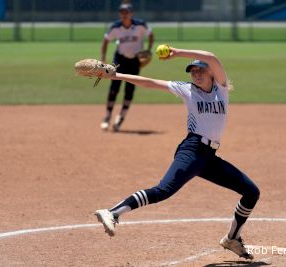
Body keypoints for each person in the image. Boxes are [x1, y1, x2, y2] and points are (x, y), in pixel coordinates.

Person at [95, 47, 260, 260]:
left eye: (200, 69)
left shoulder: (221, 89)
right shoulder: (186, 89)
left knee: (251, 192)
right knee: (163, 190)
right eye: (193, 71)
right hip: (191, 150)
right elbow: (151, 83)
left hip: (208, 157)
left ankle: (232, 238)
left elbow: (211, 57)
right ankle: (113, 212)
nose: (196, 73)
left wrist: (176, 52)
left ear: (212, 73)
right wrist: (117, 75)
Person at [100, 3, 154, 131]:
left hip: (135, 61)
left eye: (126, 12)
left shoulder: (140, 25)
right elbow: (106, 40)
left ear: (131, 13)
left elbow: (151, 35)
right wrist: (103, 59)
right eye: (122, 12)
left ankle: (120, 118)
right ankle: (107, 116)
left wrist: (149, 50)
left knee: (129, 90)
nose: (124, 14)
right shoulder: (116, 27)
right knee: (114, 88)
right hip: (119, 60)